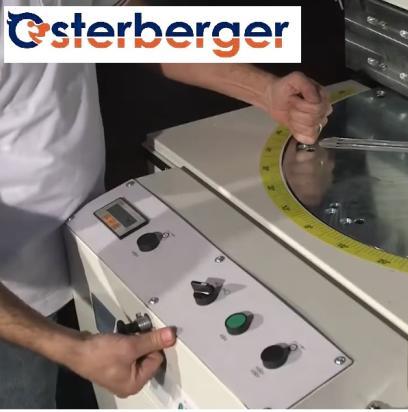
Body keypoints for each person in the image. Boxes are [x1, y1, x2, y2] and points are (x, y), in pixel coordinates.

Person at [0, 1, 333, 408]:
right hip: (14, 309)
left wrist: (265, 92)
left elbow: (128, 28)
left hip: (72, 251)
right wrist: (71, 349)